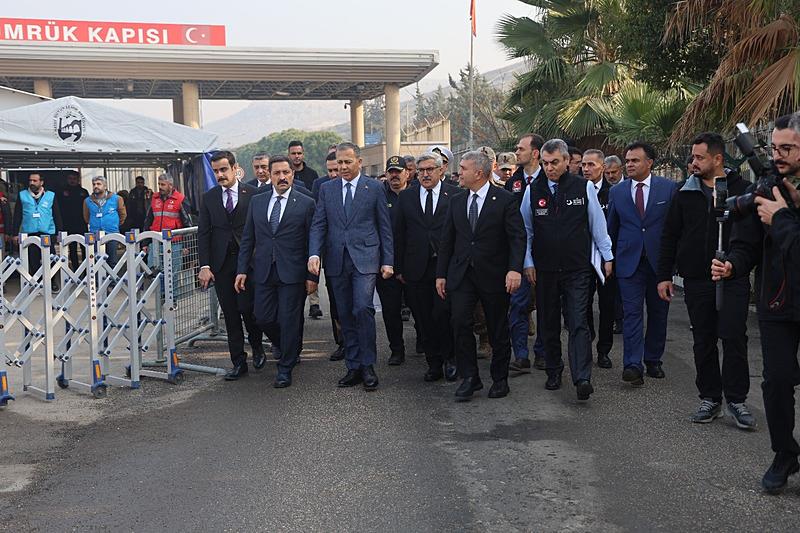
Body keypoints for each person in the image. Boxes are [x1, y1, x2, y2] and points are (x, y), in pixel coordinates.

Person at [712, 113, 800, 493]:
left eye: (788, 149)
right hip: (777, 304)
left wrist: (781, 217)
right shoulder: (768, 185)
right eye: (775, 147)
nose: (778, 155)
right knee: (777, 382)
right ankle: (784, 454)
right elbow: (748, 242)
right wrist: (733, 264)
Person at [657, 132, 755, 428]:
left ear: (718, 159)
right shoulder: (684, 191)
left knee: (734, 337)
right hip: (697, 279)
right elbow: (670, 235)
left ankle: (736, 400)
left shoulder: (744, 190)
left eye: (700, 157)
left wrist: (732, 266)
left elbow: (751, 241)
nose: (693, 162)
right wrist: (664, 275)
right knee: (703, 339)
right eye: (693, 157)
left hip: (733, 279)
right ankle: (710, 397)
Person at [521, 140, 613, 401]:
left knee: (577, 321)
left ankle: (582, 377)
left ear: (566, 162)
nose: (549, 168)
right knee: (548, 322)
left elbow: (598, 226)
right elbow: (525, 231)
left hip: (577, 268)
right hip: (545, 269)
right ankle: (553, 370)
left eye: (555, 163)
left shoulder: (582, 188)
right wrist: (528, 262)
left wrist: (607, 257)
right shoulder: (533, 190)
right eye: (545, 163)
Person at [436, 150, 526, 402]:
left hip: (495, 274)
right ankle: (470, 378)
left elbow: (517, 238)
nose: (459, 172)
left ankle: (499, 379)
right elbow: (448, 240)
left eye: (463, 168)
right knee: (460, 322)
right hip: (462, 274)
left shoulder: (505, 200)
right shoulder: (456, 200)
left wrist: (514, 269)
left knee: (497, 327)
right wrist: (441, 274)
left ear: (478, 172)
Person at [308, 142, 394, 391]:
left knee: (362, 308)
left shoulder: (375, 188)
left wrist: (388, 260)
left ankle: (368, 366)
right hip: (336, 260)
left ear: (359, 161)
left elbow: (384, 227)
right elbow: (319, 224)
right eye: (339, 162)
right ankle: (353, 366)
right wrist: (314, 253)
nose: (343, 167)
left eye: (347, 161)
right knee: (344, 313)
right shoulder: (327, 189)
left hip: (366, 258)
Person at [237, 155, 318, 388]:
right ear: (269, 176)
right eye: (277, 173)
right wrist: (242, 270)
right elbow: (248, 239)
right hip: (263, 271)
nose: (282, 177)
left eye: (286, 173)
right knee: (262, 317)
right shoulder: (258, 201)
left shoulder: (306, 203)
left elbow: (313, 241)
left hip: (292, 272)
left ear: (292, 174)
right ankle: (285, 345)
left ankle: (285, 367)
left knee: (289, 318)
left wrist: (312, 275)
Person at [607, 142, 678, 386]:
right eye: (627, 161)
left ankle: (653, 360)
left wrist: (673, 265)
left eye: (635, 160)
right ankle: (632, 365)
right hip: (628, 263)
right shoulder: (617, 191)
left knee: (659, 313)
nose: (629, 165)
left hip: (659, 265)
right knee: (632, 314)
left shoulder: (668, 189)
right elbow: (611, 229)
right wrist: (610, 259)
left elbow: (675, 229)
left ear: (650, 162)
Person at [197, 150, 266, 381]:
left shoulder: (253, 194)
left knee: (248, 310)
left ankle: (257, 347)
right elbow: (203, 234)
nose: (220, 175)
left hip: (247, 263)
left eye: (223, 169)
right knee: (230, 314)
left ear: (235, 168)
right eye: (216, 171)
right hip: (221, 265)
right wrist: (205, 265)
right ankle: (238, 361)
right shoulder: (209, 198)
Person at [395, 152, 459, 382]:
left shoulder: (455, 194)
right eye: (421, 170)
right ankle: (434, 363)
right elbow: (399, 234)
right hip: (416, 268)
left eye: (429, 169)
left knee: (444, 314)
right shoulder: (407, 197)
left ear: (441, 170)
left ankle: (451, 358)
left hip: (445, 267)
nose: (425, 174)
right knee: (423, 319)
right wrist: (400, 268)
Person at [506, 133, 547, 372]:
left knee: (545, 304)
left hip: (545, 252)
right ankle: (520, 354)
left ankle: (542, 351)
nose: (516, 152)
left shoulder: (550, 180)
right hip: (519, 253)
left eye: (520, 148)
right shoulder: (514, 182)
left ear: (535, 153)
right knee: (518, 304)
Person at [581, 149, 616, 369]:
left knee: (607, 306)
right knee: (582, 305)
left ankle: (604, 350)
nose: (586, 169)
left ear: (602, 166)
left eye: (591, 165)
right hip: (582, 258)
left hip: (607, 259)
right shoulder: (576, 190)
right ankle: (586, 341)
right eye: (583, 165)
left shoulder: (614, 192)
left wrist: (609, 256)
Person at [376, 156, 410, 365]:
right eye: (391, 172)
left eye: (398, 171)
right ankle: (396, 349)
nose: (394, 175)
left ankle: (424, 341)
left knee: (420, 308)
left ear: (407, 173)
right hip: (386, 264)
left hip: (413, 264)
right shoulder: (379, 195)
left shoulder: (416, 194)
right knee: (390, 311)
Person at [311, 151, 344, 360]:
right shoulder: (322, 188)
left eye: (337, 169)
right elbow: (318, 221)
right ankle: (341, 341)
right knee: (336, 301)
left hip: (357, 257)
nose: (333, 174)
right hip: (332, 255)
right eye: (330, 170)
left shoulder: (364, 187)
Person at [12, 172, 63, 281]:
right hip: (29, 232)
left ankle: (51, 282)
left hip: (47, 232)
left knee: (50, 259)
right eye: (30, 180)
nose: (32, 183)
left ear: (41, 182)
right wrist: (14, 233)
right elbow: (17, 215)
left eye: (35, 181)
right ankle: (37, 283)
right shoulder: (22, 195)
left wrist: (59, 232)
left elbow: (57, 215)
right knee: (33, 260)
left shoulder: (50, 195)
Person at [83, 176, 126, 267]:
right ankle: (97, 281)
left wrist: (114, 224)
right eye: (94, 184)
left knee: (112, 260)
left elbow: (123, 214)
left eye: (99, 184)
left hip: (112, 232)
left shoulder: (117, 199)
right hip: (95, 234)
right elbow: (86, 217)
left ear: (105, 186)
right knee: (95, 261)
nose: (96, 186)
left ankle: (112, 281)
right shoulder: (87, 201)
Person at [58, 170, 89, 271]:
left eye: (74, 179)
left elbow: (88, 208)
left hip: (81, 224)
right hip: (68, 225)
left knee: (85, 248)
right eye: (70, 179)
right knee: (72, 249)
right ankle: (75, 270)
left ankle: (85, 269)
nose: (72, 181)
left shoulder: (83, 192)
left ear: (78, 180)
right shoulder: (62, 192)